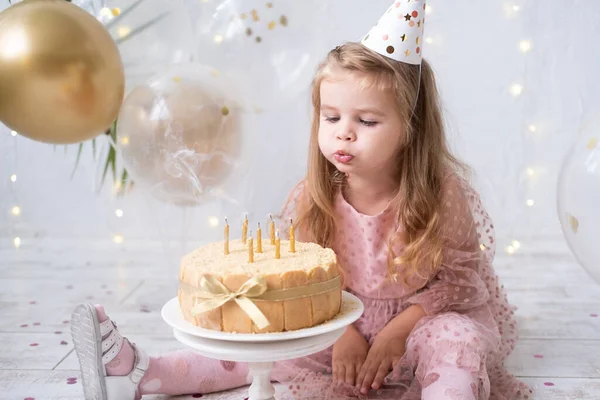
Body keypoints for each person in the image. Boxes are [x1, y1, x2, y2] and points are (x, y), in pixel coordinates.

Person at [70, 1, 532, 398]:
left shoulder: (441, 193)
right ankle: (141, 373)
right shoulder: (315, 196)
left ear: (410, 129)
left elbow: (461, 284)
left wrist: (396, 332)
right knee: (260, 338)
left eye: (367, 121)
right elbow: (306, 285)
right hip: (334, 318)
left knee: (457, 341)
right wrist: (344, 332)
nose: (343, 132)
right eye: (331, 117)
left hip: (421, 321)